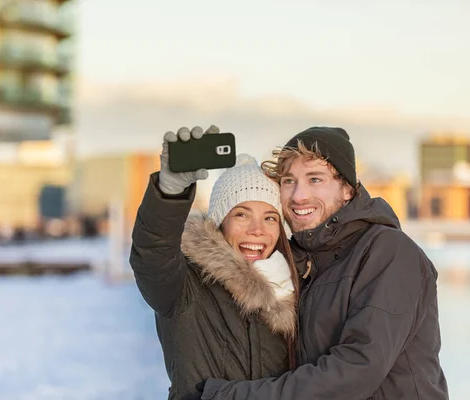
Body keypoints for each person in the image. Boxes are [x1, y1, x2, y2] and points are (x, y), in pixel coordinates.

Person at [200, 127, 449, 399]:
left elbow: (356, 370)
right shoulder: (295, 264)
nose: (298, 196)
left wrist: (232, 396)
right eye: (288, 181)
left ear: (346, 190)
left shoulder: (390, 253)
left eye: (315, 179)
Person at [129, 126, 300, 400]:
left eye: (270, 218)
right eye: (242, 215)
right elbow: (152, 256)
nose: (257, 230)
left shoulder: (295, 290)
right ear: (221, 222)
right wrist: (168, 195)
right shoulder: (186, 286)